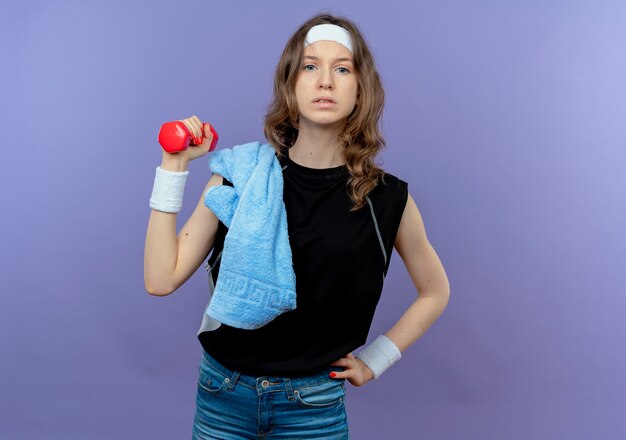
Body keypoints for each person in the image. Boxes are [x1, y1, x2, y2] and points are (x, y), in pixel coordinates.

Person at [144, 12, 450, 440]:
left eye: (342, 68)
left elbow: (435, 291)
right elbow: (160, 279)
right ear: (291, 85)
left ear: (361, 90)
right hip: (223, 395)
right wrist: (173, 166)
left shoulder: (388, 199)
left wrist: (376, 359)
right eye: (310, 66)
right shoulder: (242, 174)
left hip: (313, 408)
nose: (325, 81)